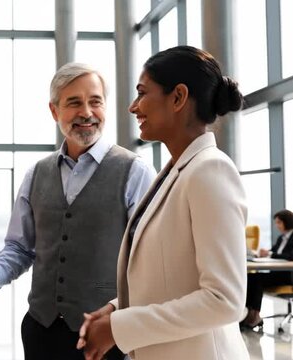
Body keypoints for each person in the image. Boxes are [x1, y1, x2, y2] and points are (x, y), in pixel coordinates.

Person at [0, 63, 156, 359]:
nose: (87, 112)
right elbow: (19, 247)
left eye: (95, 101)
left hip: (108, 334)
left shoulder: (135, 172)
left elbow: (149, 261)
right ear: (54, 111)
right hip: (42, 330)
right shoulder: (36, 174)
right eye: (74, 102)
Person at [78, 45, 249, 360]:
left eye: (142, 93)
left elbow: (224, 299)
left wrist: (121, 326)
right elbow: (173, 276)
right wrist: (118, 308)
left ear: (178, 98)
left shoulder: (210, 170)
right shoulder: (175, 172)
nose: (133, 107)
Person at [242, 209, 293, 328]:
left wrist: (270, 254)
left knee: (258, 278)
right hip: (277, 273)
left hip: (288, 275)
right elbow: (274, 251)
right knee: (251, 277)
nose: (277, 226)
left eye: (279, 223)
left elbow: (290, 256)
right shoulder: (282, 238)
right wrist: (267, 252)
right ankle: (247, 313)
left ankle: (255, 315)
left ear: (287, 222)